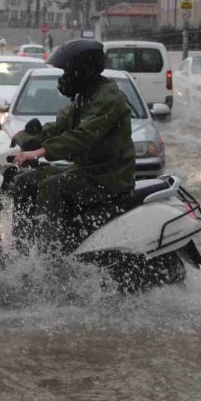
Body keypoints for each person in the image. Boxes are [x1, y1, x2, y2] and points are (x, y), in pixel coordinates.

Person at [10, 39, 136, 253]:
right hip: (87, 171)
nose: (64, 78)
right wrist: (24, 138)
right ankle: (22, 249)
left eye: (68, 71)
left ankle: (49, 255)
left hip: (109, 176)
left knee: (53, 187)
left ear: (84, 71)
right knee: (24, 181)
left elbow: (84, 135)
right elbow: (59, 126)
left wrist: (42, 151)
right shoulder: (84, 96)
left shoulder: (107, 97)